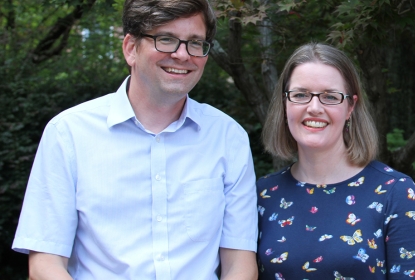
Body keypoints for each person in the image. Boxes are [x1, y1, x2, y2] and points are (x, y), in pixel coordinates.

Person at [12, 0, 258, 279]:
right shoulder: (69, 133)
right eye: (166, 39)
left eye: (195, 42)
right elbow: (45, 265)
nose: (182, 54)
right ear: (130, 48)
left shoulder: (228, 137)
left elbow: (240, 264)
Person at [255, 42, 415, 279]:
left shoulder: (394, 193)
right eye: (300, 95)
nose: (314, 107)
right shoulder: (263, 194)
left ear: (350, 107)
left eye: (330, 96)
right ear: (285, 103)